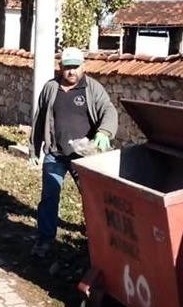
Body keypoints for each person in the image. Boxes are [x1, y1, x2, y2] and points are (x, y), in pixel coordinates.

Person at [28, 47, 118, 258]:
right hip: (55, 153)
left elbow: (108, 110)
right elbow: (39, 119)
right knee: (49, 196)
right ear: (60, 68)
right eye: (67, 67)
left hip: (84, 156)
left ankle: (95, 236)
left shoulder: (92, 88)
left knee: (91, 196)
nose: (71, 72)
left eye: (75, 67)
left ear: (83, 66)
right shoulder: (50, 88)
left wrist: (105, 132)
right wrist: (34, 147)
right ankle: (45, 239)